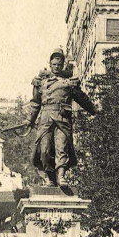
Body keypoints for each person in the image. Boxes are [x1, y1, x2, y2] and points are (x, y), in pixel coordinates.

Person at [26, 48, 97, 187]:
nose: (57, 67)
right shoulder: (41, 82)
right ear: (50, 64)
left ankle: (61, 176)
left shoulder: (69, 82)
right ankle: (49, 176)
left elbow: (82, 98)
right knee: (44, 149)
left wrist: (94, 111)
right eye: (54, 64)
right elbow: (35, 102)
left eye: (59, 64)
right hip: (45, 119)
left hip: (62, 118)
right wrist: (30, 120)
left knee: (61, 147)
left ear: (63, 64)